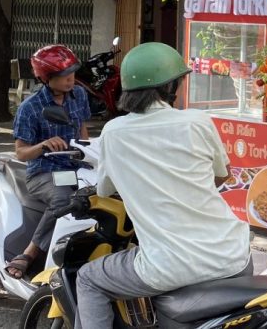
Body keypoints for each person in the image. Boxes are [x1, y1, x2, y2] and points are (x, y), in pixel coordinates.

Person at [75, 42, 251, 329]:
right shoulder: (198, 122)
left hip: (167, 268)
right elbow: (222, 175)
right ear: (170, 87)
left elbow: (105, 190)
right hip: (234, 256)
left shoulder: (114, 133)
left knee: (88, 279)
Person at [7, 45, 91, 279]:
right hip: (44, 171)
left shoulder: (79, 94)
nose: (71, 79)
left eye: (73, 73)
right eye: (65, 76)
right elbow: (21, 153)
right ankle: (30, 253)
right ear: (46, 78)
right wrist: (43, 145)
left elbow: (82, 129)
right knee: (64, 198)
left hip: (77, 167)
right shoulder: (30, 108)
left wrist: (89, 151)